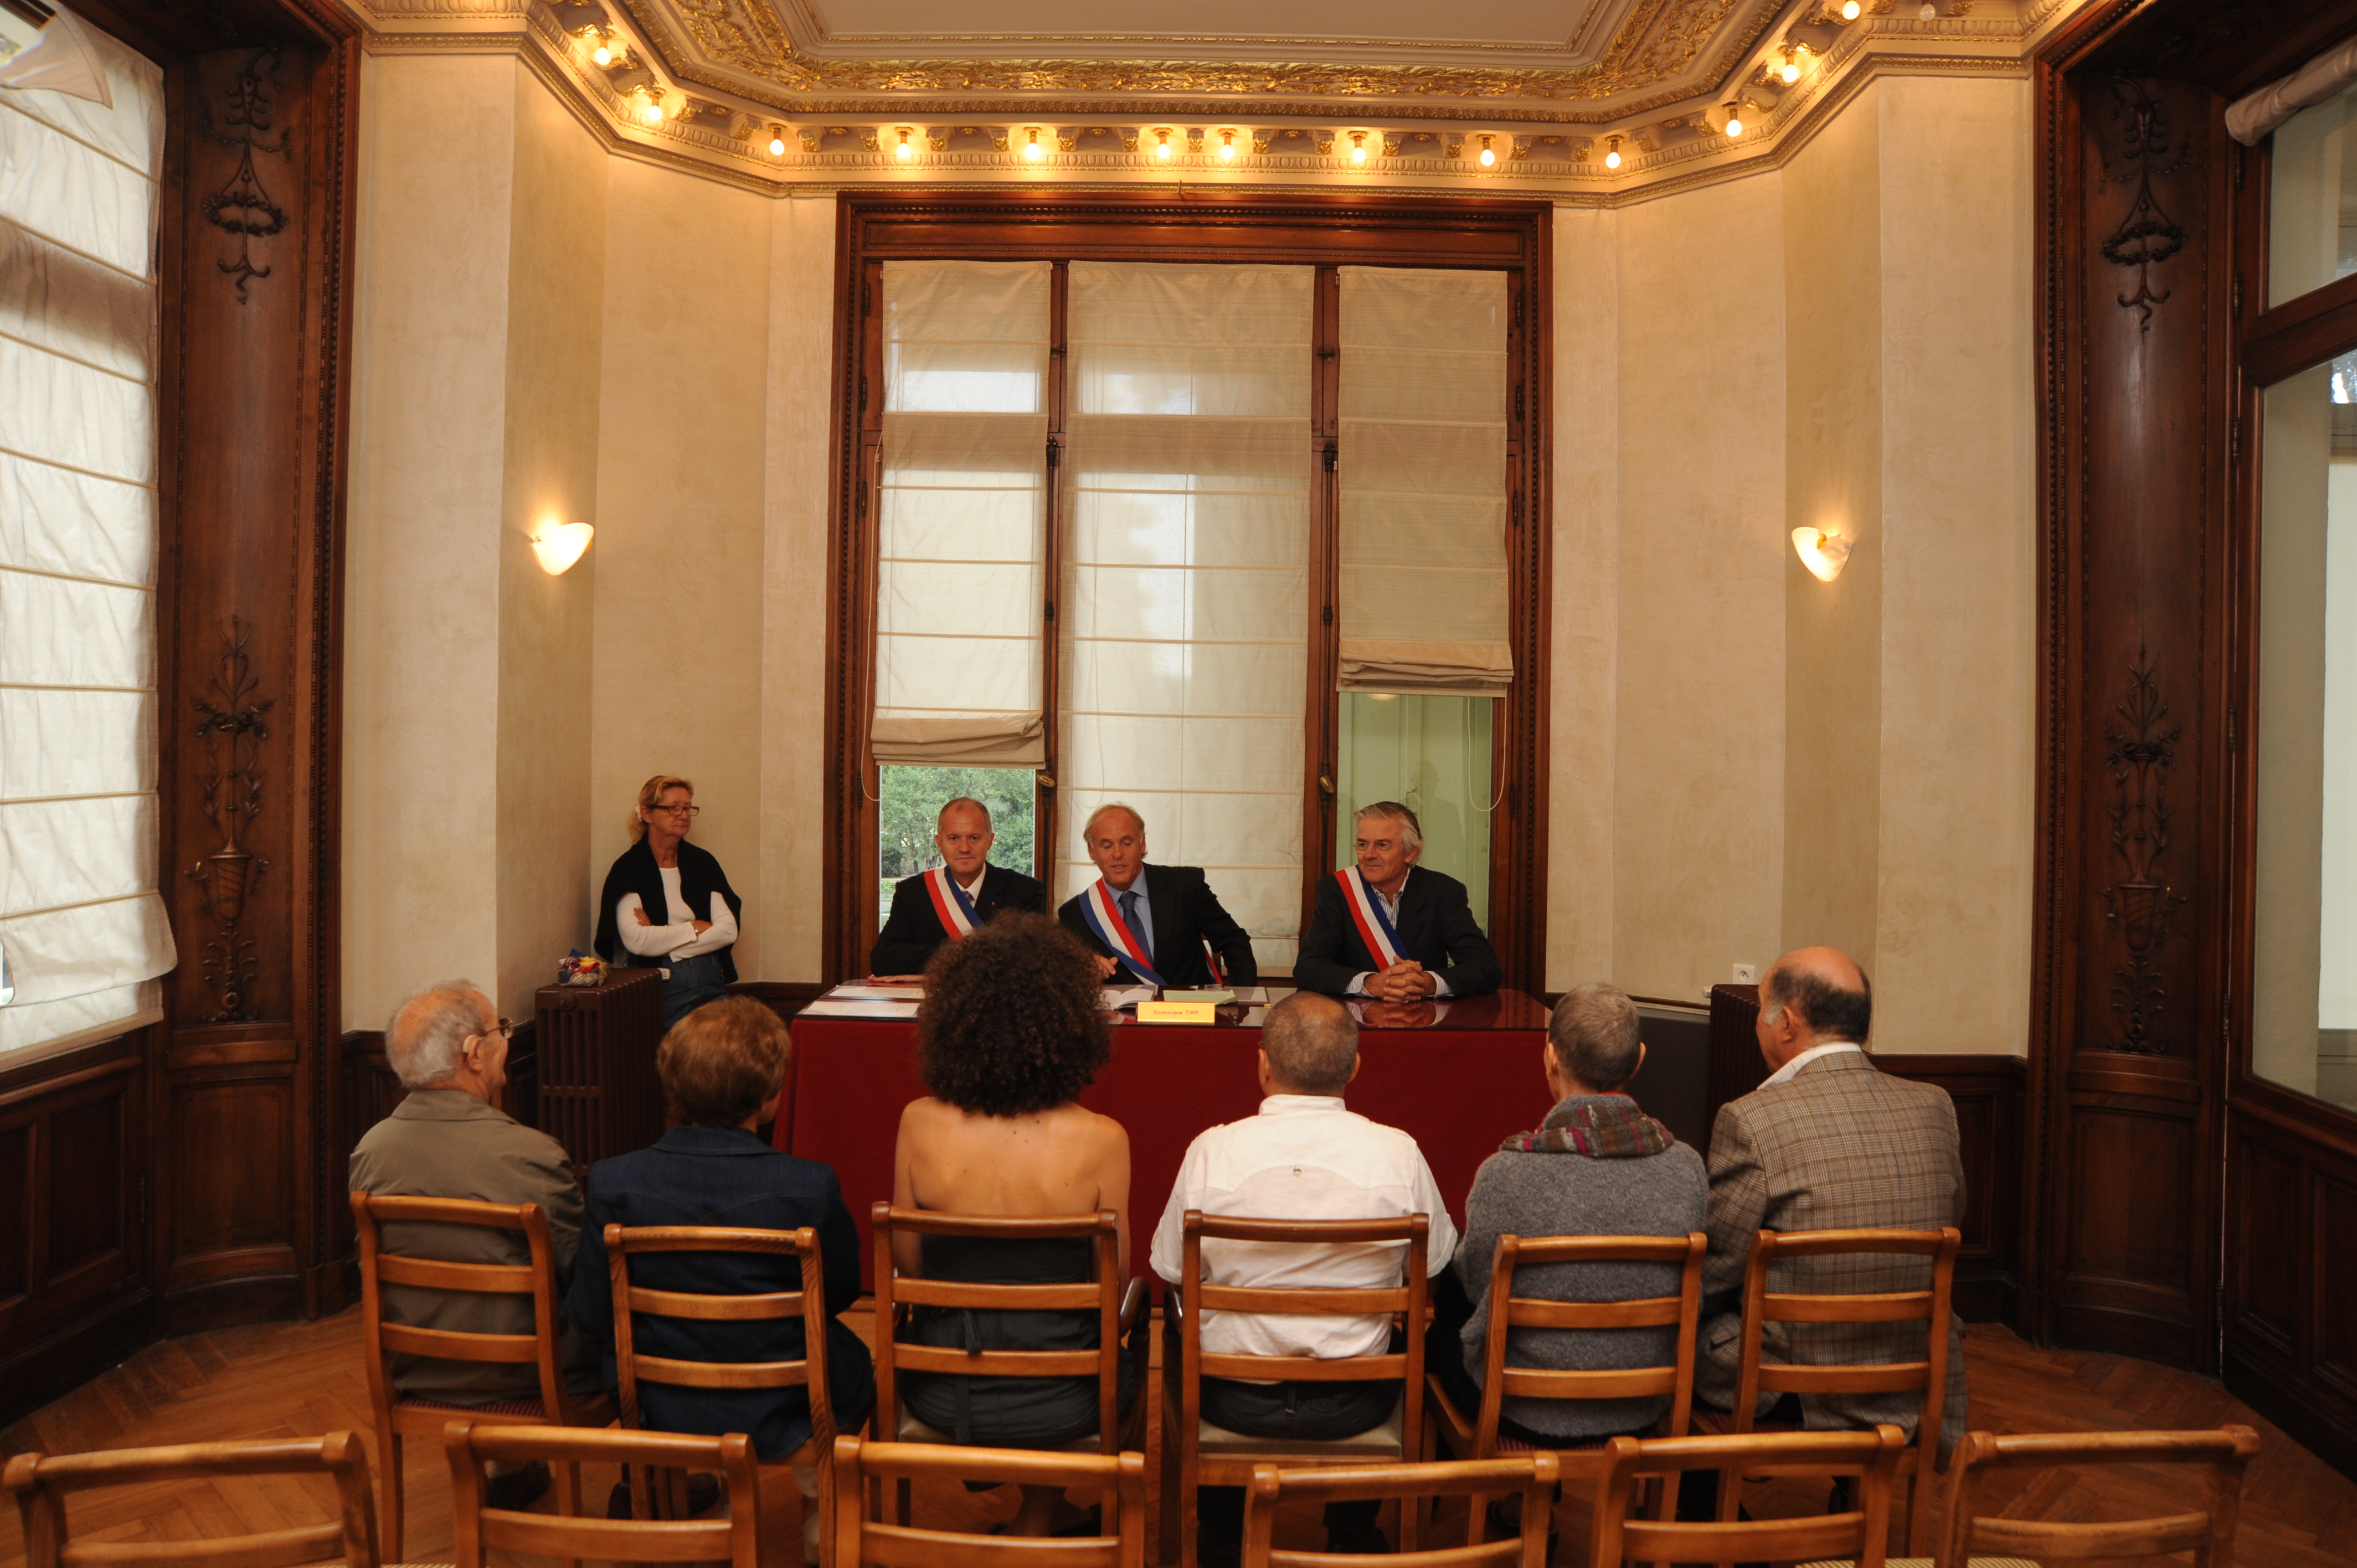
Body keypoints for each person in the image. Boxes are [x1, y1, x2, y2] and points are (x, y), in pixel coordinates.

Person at [1151, 992, 1458, 1565]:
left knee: (1176, 1326)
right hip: (1355, 1398)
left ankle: (1219, 1534)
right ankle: (1349, 1530)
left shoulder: (1210, 1152)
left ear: (1263, 1064)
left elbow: (1169, 1272)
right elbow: (1434, 1274)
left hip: (1230, 1400)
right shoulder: (1398, 1155)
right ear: (1354, 1068)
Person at [567, 997, 874, 1560]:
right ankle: (817, 1525)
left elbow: (589, 1312)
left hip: (660, 1401)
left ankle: (675, 1514)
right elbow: (840, 1292)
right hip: (786, 1400)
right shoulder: (809, 1184)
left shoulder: (613, 1181)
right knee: (850, 1365)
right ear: (770, 1097)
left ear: (673, 1088)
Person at [891, 912, 1135, 1536]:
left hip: (942, 1387)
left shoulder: (919, 1121)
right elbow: (1113, 1287)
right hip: (1067, 1395)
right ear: (1069, 1022)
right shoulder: (1102, 1138)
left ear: (954, 1019)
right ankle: (1041, 1518)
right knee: (1120, 1346)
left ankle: (1035, 1514)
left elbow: (910, 1266)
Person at [1695, 947, 1968, 1461]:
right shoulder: (1935, 1106)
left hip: (1795, 1383)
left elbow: (1714, 1271)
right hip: (1913, 1366)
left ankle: (1701, 1504)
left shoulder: (1752, 1121)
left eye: (1760, 1009)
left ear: (1788, 1024)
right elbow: (1949, 1223)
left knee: (1682, 1330)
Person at [348, 979, 599, 1509]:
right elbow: (583, 1280)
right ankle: (653, 1484)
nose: (506, 1038)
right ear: (472, 1054)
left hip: (418, 1367)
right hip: (529, 1375)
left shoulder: (370, 1152)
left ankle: (510, 1470)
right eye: (500, 1030)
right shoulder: (530, 1154)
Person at [1436, 983, 1706, 1451]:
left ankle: (1493, 1501)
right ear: (1639, 1059)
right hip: (1642, 1401)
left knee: (1443, 1322)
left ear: (1551, 1058)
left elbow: (1478, 1289)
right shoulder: (1686, 1167)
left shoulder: (1506, 1172)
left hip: (1519, 1405)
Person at [1293, 802, 1501, 1000]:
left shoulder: (1443, 892)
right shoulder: (1336, 889)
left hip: (1423, 1021)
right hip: (1356, 1021)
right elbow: (1308, 968)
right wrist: (1368, 984)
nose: (1369, 855)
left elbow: (1485, 968)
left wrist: (1428, 983)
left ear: (1410, 852)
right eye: (1363, 844)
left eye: (1382, 845)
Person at [594, 774, 745, 1033]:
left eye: (688, 808)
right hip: (660, 984)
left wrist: (666, 948)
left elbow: (728, 931)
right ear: (648, 814)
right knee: (667, 1064)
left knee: (720, 1061)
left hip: (710, 980)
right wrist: (695, 928)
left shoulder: (702, 863)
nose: (684, 815)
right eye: (673, 808)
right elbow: (636, 940)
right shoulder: (630, 868)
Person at [1055, 802, 1257, 989]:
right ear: (1092, 851)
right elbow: (1063, 981)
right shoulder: (1075, 914)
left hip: (1191, 1018)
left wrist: (1243, 1002)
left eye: (1126, 843)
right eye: (1106, 846)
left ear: (1142, 845)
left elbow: (1234, 942)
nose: (1117, 854)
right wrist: (1083, 971)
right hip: (1122, 1024)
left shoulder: (1186, 886)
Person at [869, 797, 1047, 978]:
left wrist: (943, 956)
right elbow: (883, 960)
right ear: (939, 843)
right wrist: (965, 952)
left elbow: (1033, 961)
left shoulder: (1025, 891)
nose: (964, 848)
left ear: (990, 841)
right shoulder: (913, 892)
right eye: (954, 838)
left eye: (974, 838)